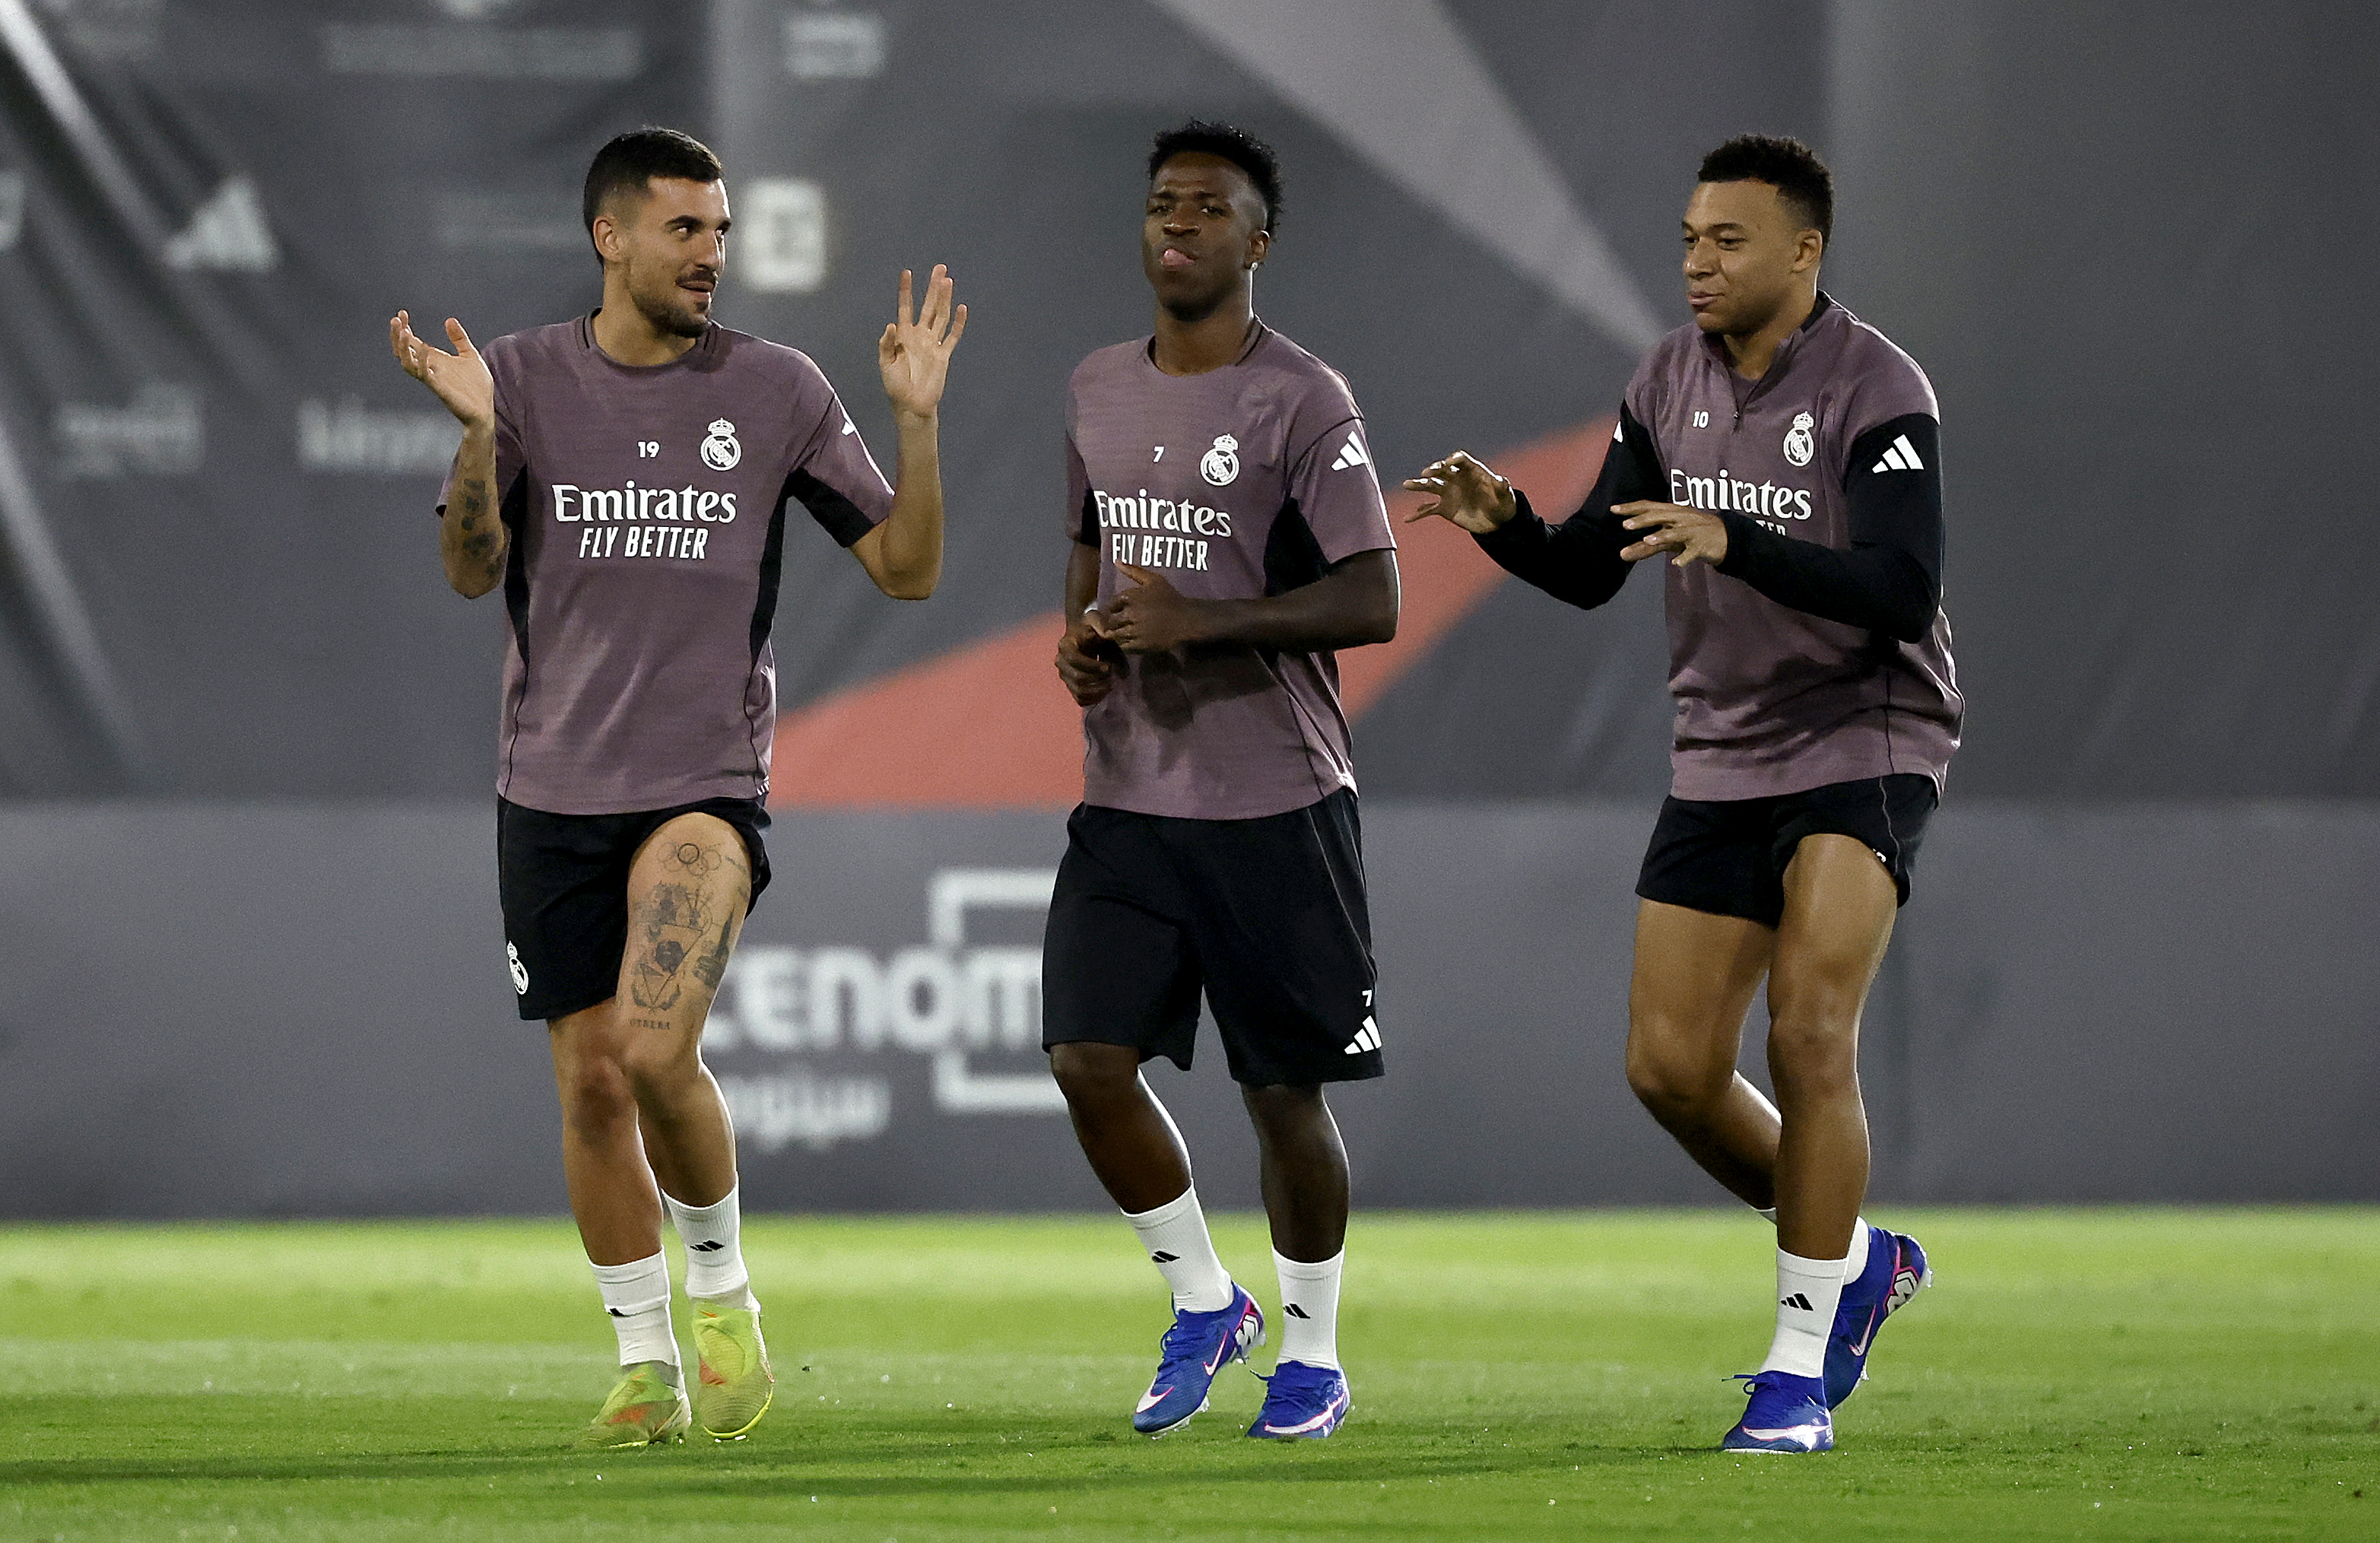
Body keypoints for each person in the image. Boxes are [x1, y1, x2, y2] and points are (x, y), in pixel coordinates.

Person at [389, 127, 965, 1447]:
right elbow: (473, 572)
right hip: (549, 790)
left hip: (702, 785)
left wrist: (918, 425)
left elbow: (907, 568)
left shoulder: (777, 390)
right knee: (592, 1084)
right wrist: (478, 436)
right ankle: (643, 1361)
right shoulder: (521, 380)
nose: (714, 253)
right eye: (685, 230)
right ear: (611, 237)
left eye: (721, 229)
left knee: (656, 1051)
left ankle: (723, 1297)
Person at [1407, 134, 1956, 1455]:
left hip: (1862, 733)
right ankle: (1857, 1263)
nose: (1698, 261)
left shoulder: (1877, 383)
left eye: (1728, 240)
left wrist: (1739, 539)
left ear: (1803, 251)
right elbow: (1598, 563)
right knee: (1667, 1069)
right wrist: (1513, 532)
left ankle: (1792, 1366)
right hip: (1721, 748)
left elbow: (1900, 589)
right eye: (1689, 239)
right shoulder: (1665, 378)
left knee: (1808, 1035)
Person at [1043, 121, 1400, 1442]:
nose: (1177, 223)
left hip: (1276, 802)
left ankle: (1310, 1351)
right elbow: (1089, 546)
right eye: (1160, 204)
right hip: (1130, 794)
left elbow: (1376, 596)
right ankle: (1204, 1298)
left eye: (1208, 208)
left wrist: (1203, 622)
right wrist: (1078, 642)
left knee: (1279, 1095)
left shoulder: (1304, 399)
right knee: (1087, 1059)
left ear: (1259, 242)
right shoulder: (1093, 385)